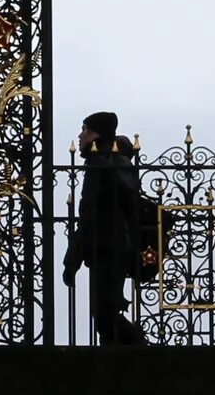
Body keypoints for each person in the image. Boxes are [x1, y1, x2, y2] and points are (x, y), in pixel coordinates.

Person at [63, 111, 154, 346]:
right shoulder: (111, 163)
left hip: (108, 248)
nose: (80, 135)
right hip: (109, 248)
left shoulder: (102, 163)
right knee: (105, 316)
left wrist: (72, 259)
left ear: (96, 133)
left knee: (105, 317)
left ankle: (147, 355)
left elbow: (88, 214)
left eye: (84, 129)